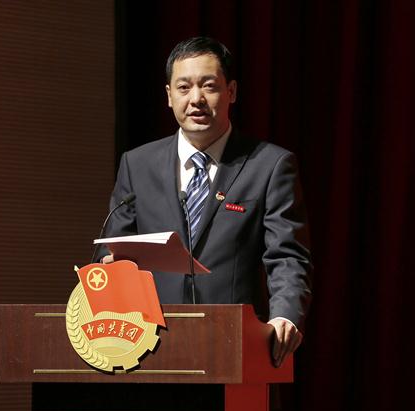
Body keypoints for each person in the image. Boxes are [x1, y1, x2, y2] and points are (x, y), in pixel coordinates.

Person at [98, 36, 312, 367]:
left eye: (209, 86)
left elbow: (287, 256)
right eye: (184, 88)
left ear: (232, 92)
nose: (196, 99)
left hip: (236, 350)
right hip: (148, 351)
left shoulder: (269, 165)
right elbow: (114, 249)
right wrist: (108, 270)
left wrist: (285, 316)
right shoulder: (137, 165)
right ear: (169, 96)